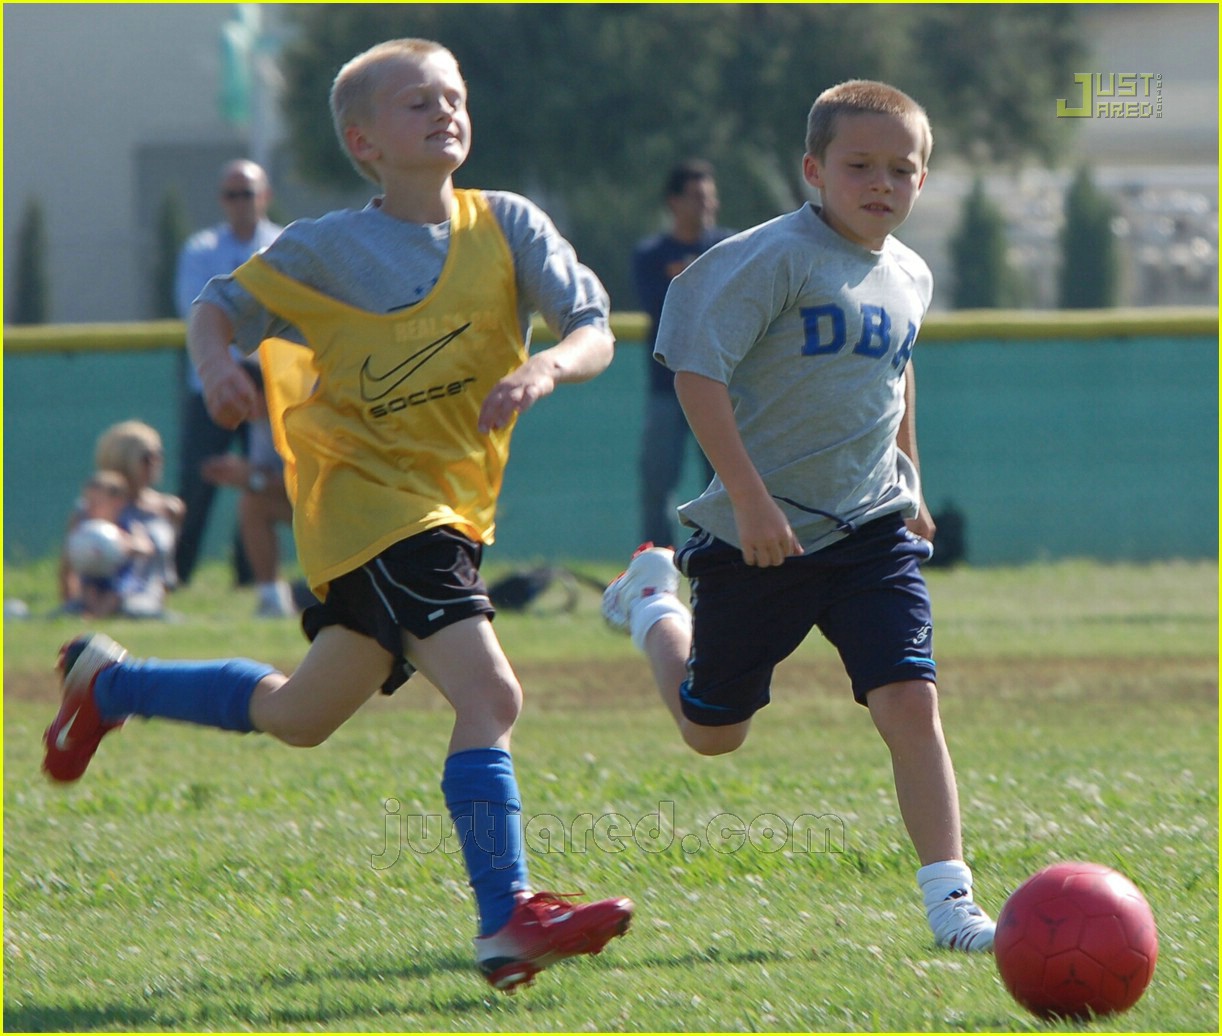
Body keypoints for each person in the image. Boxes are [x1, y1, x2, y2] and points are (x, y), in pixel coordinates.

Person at [44, 38, 632, 992]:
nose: (445, 110)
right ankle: (509, 916)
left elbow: (595, 328)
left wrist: (545, 365)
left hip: (449, 515)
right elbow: (214, 309)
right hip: (375, 506)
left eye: (454, 94)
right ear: (364, 142)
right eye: (417, 103)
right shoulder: (327, 247)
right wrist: (215, 366)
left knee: (299, 714)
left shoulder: (509, 224)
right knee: (491, 698)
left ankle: (112, 685)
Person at [602, 80, 995, 953]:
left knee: (910, 701)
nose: (881, 183)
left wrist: (915, 480)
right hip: (759, 540)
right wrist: (747, 498)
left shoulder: (910, 272)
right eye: (860, 166)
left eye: (902, 169)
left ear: (923, 182)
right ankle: (651, 607)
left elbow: (897, 372)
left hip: (871, 531)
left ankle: (950, 903)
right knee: (714, 733)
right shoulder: (770, 256)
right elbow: (695, 371)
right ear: (814, 169)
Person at [174, 158, 283, 586]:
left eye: (249, 193)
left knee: (263, 480)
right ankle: (174, 574)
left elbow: (286, 310)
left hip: (270, 388)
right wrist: (232, 364)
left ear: (266, 196)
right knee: (198, 481)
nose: (241, 203)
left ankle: (252, 578)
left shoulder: (284, 243)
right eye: (232, 194)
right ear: (222, 200)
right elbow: (197, 308)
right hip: (214, 386)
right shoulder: (201, 249)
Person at [632, 159, 733, 547]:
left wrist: (687, 274)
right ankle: (655, 563)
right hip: (668, 386)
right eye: (695, 197)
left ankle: (725, 555)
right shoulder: (651, 254)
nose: (706, 205)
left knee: (725, 480)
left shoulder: (730, 246)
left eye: (710, 197)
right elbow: (662, 305)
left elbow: (737, 304)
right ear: (673, 202)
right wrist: (703, 280)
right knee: (658, 482)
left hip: (722, 383)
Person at [200, 354, 296, 618]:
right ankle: (272, 600)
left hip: (341, 511)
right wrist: (244, 475)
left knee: (254, 496)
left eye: (246, 394)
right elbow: (269, 480)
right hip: (312, 510)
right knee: (252, 503)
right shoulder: (258, 421)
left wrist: (251, 478)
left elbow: (309, 486)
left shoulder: (294, 413)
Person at [59, 470, 156, 618]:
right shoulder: (85, 528)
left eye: (95, 503)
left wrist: (127, 545)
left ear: (117, 503)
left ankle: (99, 615)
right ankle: (90, 612)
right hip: (94, 574)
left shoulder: (127, 525)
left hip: (121, 575)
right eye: (87, 502)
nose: (89, 508)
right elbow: (68, 561)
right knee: (88, 587)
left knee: (116, 589)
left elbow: (147, 547)